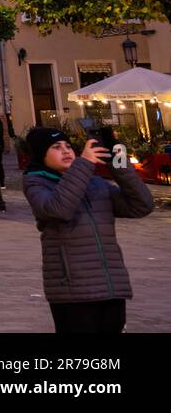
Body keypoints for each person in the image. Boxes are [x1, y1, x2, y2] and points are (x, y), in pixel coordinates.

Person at [22, 127, 154, 333]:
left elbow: (141, 206)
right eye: (56, 147)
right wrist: (83, 164)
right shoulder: (36, 183)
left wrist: (117, 161)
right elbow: (58, 210)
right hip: (72, 290)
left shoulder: (95, 183)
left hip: (110, 285)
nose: (66, 151)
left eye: (68, 146)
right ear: (41, 155)